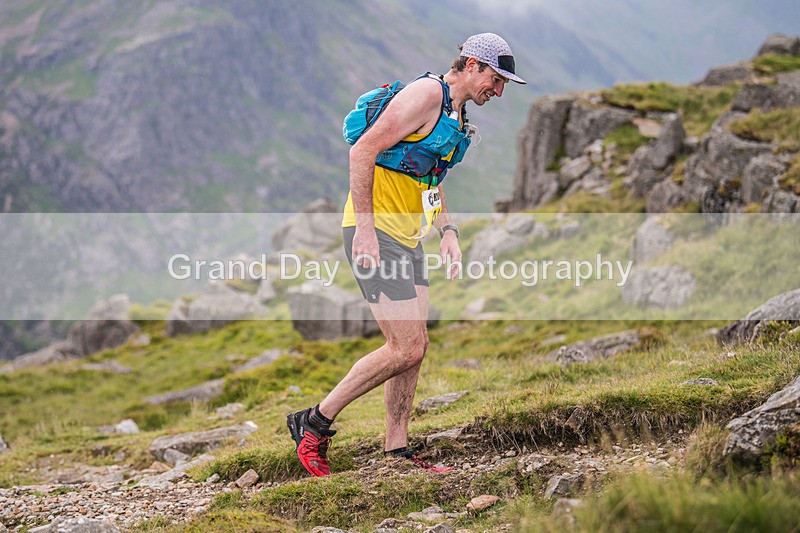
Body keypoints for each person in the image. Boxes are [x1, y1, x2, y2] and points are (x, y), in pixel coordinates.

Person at [287, 33, 526, 477]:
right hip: (376, 232)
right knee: (406, 345)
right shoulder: (426, 94)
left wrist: (448, 231)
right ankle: (313, 423)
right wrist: (364, 229)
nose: (498, 90)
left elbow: (428, 180)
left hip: (408, 237)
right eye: (496, 79)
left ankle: (396, 449)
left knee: (415, 348)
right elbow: (362, 151)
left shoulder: (454, 112)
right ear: (472, 65)